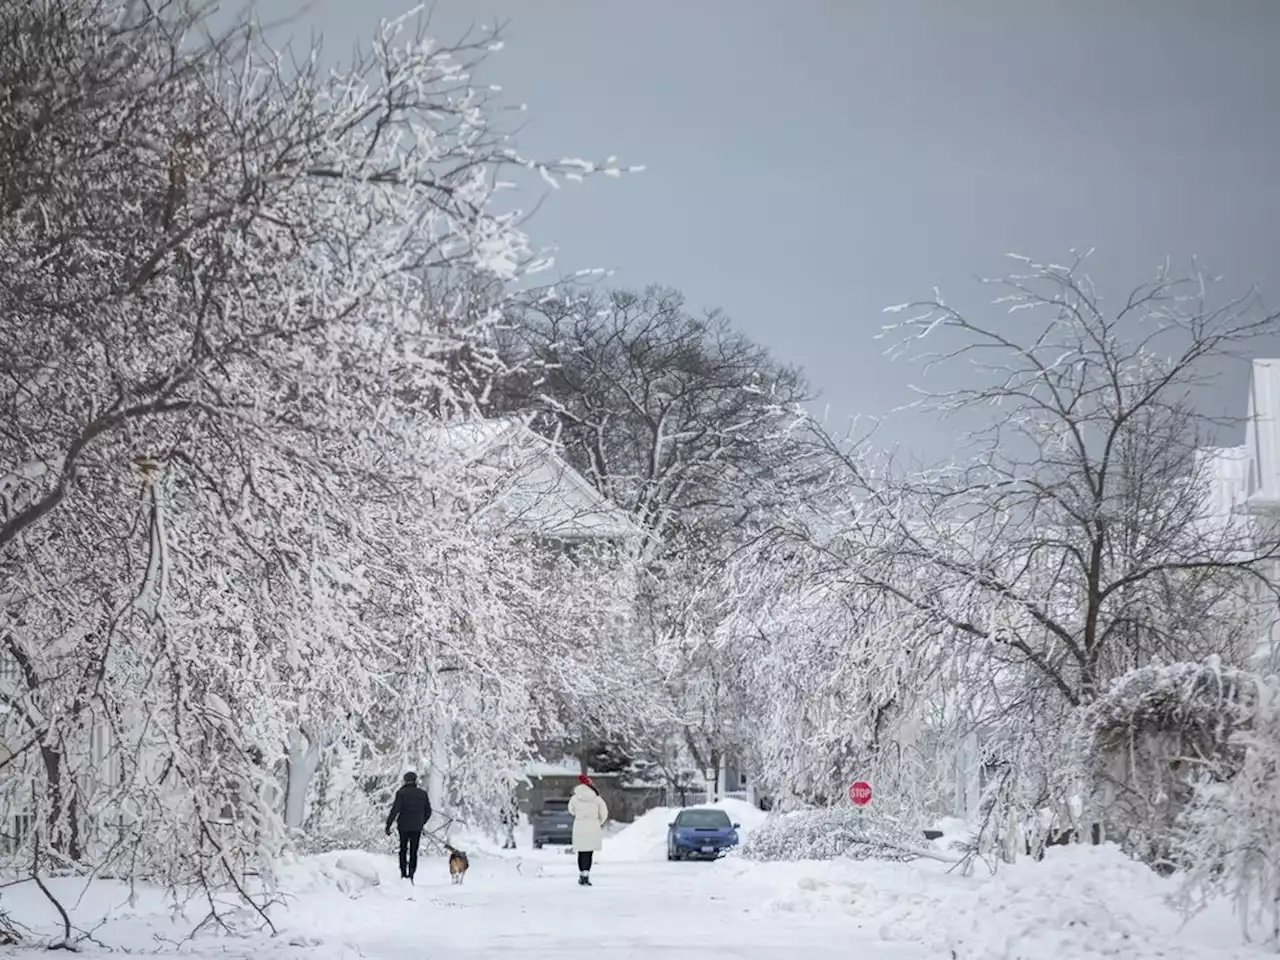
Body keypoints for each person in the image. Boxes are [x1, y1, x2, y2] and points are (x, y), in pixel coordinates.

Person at [385, 772, 432, 882]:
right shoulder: (423, 794)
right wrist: (422, 822)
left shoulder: (401, 793)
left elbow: (394, 811)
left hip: (403, 826)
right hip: (417, 827)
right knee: (413, 850)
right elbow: (428, 812)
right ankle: (411, 873)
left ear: (405, 780)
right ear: (415, 780)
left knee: (403, 849)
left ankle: (403, 873)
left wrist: (388, 825)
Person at [568, 774, 608, 886]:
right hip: (592, 826)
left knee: (581, 852)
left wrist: (579, 816)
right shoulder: (597, 799)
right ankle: (586, 875)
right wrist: (598, 822)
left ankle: (581, 875)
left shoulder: (575, 798)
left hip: (580, 826)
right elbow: (604, 813)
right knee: (589, 853)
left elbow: (571, 810)